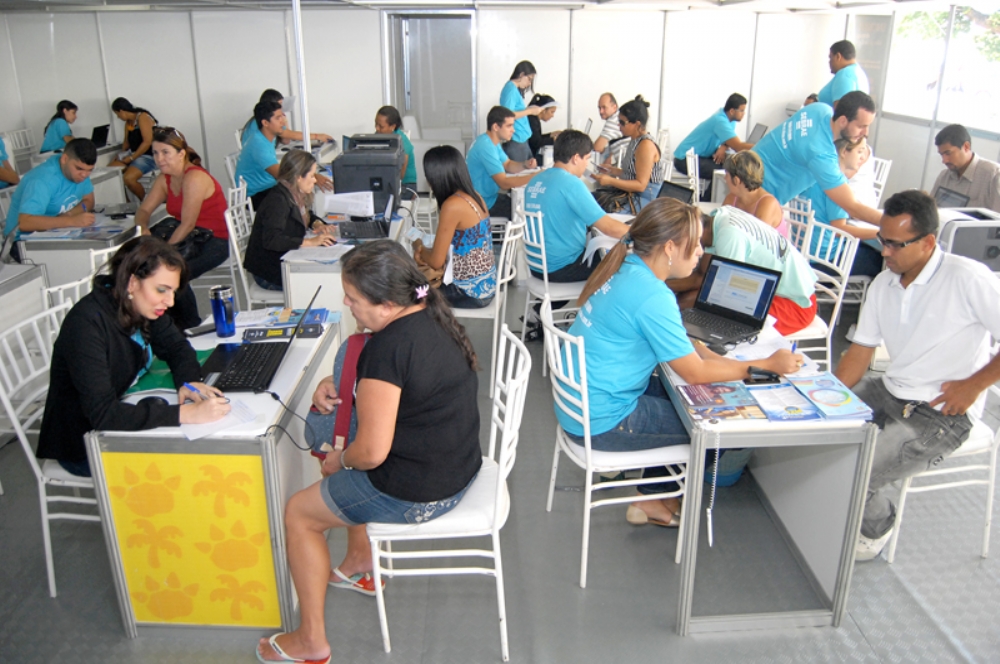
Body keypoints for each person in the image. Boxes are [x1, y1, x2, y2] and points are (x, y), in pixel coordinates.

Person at [254, 240, 482, 664]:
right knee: (348, 437)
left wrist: (339, 461)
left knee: (300, 513)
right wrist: (338, 385)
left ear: (385, 304)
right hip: (458, 467)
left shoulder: (387, 348)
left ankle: (311, 641)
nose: (346, 303)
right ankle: (359, 558)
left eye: (353, 297)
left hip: (421, 492)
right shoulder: (431, 315)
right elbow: (399, 393)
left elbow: (372, 454)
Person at [562, 198, 801, 527]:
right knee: (720, 427)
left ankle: (653, 497)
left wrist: (711, 355)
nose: (702, 252)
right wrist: (766, 365)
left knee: (685, 397)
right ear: (670, 248)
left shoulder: (630, 269)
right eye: (697, 244)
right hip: (603, 421)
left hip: (581, 405)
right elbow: (694, 373)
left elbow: (681, 344)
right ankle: (654, 499)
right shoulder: (653, 295)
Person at [832, 190, 1000, 561]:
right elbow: (859, 352)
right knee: (821, 438)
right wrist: (825, 398)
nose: (885, 252)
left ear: (927, 242)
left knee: (858, 470)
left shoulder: (967, 278)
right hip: (890, 390)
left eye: (895, 244)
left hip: (943, 412)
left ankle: (877, 527)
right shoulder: (883, 284)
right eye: (883, 240)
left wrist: (973, 386)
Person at [35, 236, 231, 478]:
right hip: (84, 442)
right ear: (132, 283)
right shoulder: (86, 325)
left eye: (172, 291)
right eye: (162, 290)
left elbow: (177, 347)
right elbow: (104, 414)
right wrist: (186, 414)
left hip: (123, 407)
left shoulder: (139, 305)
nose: (170, 302)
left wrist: (189, 382)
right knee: (186, 465)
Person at [133, 127, 231, 329]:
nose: (159, 159)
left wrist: (164, 253)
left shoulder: (194, 177)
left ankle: (189, 326)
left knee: (173, 271)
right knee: (148, 266)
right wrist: (142, 226)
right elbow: (143, 210)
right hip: (190, 238)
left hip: (215, 240)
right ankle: (164, 324)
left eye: (165, 152)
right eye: (155, 153)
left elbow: (187, 224)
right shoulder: (165, 179)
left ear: (181, 154)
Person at [669, 205, 818, 335]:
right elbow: (701, 275)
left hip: (795, 305)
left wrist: (665, 288)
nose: (698, 252)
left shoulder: (730, 237)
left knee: (695, 309)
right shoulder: (720, 216)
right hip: (774, 291)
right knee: (685, 302)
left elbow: (723, 295)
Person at [753, 90, 882, 225]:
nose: (866, 133)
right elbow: (852, 207)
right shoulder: (821, 155)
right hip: (757, 196)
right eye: (861, 126)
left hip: (746, 169)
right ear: (843, 121)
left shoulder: (819, 109)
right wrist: (888, 223)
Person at [523, 130, 628, 282]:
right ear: (576, 158)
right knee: (623, 258)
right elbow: (608, 227)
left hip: (537, 267)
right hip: (563, 267)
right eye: (587, 159)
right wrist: (641, 233)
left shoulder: (535, 180)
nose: (586, 165)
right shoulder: (571, 184)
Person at [413, 145, 496, 309]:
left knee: (411, 294)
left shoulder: (452, 205)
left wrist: (419, 248)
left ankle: (432, 325)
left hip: (466, 292)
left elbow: (436, 262)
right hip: (486, 286)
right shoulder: (474, 196)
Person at [244, 150, 336, 291]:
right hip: (270, 270)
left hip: (282, 259)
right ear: (298, 177)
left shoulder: (293, 193)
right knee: (323, 283)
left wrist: (317, 223)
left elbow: (304, 214)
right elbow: (272, 240)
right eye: (312, 176)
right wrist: (310, 242)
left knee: (325, 278)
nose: (315, 180)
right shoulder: (277, 201)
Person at [4, 138, 97, 262]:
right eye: (79, 169)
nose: (84, 175)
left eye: (90, 170)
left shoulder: (79, 172)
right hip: (23, 241)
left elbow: (89, 200)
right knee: (78, 261)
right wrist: (71, 221)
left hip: (57, 231)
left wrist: (69, 214)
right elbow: (25, 222)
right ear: (64, 159)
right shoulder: (41, 180)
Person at [801, 137, 883, 277]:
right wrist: (879, 234)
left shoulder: (813, 173)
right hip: (826, 260)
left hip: (804, 251)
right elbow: (839, 230)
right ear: (844, 151)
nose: (863, 158)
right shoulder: (836, 184)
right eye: (859, 152)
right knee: (883, 259)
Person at [674, 94, 756, 201]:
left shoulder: (729, 120)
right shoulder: (720, 121)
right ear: (732, 111)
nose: (744, 114)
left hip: (698, 156)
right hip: (683, 160)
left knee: (730, 165)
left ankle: (709, 199)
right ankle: (705, 202)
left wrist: (723, 146)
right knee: (724, 172)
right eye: (741, 110)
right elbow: (738, 147)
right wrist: (762, 145)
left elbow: (728, 139)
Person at [589, 95, 664, 212]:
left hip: (645, 198)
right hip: (633, 194)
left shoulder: (645, 145)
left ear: (637, 124)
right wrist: (612, 170)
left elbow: (641, 185)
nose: (618, 125)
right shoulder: (635, 140)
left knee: (598, 208)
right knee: (592, 199)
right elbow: (631, 174)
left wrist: (610, 180)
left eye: (622, 122)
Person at [466, 106, 536, 219]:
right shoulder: (485, 146)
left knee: (521, 204)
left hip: (489, 198)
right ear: (496, 127)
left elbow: (508, 164)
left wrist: (525, 164)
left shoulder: (492, 142)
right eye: (509, 126)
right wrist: (535, 177)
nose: (513, 130)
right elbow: (503, 183)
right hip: (483, 204)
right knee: (525, 210)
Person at [930, 124, 1000, 213]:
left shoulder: (993, 176)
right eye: (941, 154)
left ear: (966, 147)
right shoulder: (944, 176)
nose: (944, 160)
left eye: (948, 153)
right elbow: (931, 212)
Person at [240, 88, 334, 147]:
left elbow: (286, 141)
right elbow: (288, 134)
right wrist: (318, 136)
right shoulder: (259, 123)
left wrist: (283, 120)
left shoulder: (273, 122)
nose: (281, 109)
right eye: (279, 105)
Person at [236, 100, 284, 210]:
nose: (283, 121)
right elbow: (281, 174)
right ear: (265, 123)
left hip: (266, 187)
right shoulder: (259, 144)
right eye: (278, 118)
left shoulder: (268, 137)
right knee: (291, 195)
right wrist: (312, 176)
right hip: (254, 195)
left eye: (282, 116)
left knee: (293, 193)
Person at [108, 97, 158, 202]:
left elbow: (147, 142)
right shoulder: (129, 123)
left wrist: (131, 158)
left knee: (128, 179)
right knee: (111, 173)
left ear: (122, 111)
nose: (118, 117)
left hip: (148, 156)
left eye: (117, 114)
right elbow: (126, 143)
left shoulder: (142, 117)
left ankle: (145, 204)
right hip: (133, 154)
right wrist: (120, 155)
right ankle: (127, 204)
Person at [720, 151, 783, 231]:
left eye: (727, 175)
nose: (725, 178)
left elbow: (758, 237)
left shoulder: (768, 204)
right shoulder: (731, 198)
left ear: (736, 180)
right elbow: (717, 226)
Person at [499, 60, 543, 166]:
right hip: (516, 140)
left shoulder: (514, 90)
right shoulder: (510, 90)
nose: (529, 83)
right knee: (521, 172)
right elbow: (507, 115)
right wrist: (530, 111)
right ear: (522, 75)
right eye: (529, 79)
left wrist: (529, 110)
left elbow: (515, 112)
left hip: (521, 139)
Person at [374, 105, 417, 196]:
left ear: (392, 126)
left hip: (405, 186)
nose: (377, 129)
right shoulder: (380, 136)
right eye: (376, 124)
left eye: (381, 126)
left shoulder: (402, 142)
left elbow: (400, 174)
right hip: (389, 182)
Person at [817, 40, 869, 109]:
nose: (829, 62)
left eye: (831, 57)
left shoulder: (844, 74)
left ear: (838, 56)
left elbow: (840, 111)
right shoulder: (859, 73)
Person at [526, 94, 562, 163]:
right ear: (544, 110)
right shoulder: (532, 120)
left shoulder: (534, 119)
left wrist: (551, 134)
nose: (552, 115)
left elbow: (537, 137)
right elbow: (536, 142)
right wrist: (554, 140)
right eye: (552, 112)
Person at [593, 92, 621, 157]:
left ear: (614, 107)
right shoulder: (619, 116)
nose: (601, 111)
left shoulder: (614, 120)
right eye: (599, 108)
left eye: (604, 107)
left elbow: (597, 148)